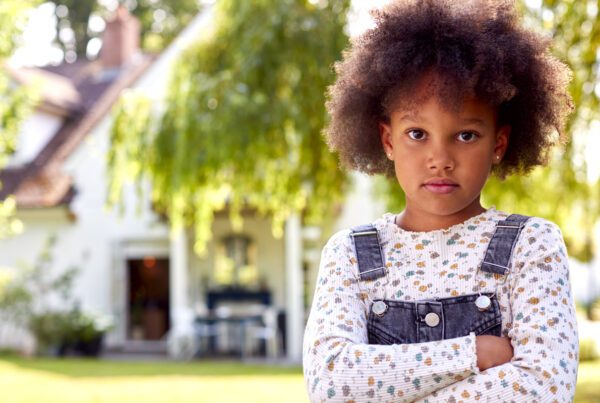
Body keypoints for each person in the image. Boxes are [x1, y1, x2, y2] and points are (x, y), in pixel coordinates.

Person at [302, 1, 579, 402]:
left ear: (498, 144)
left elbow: (544, 388)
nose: (441, 159)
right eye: (417, 133)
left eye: (466, 135)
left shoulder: (532, 245)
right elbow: (330, 382)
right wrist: (472, 354)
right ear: (387, 140)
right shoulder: (350, 255)